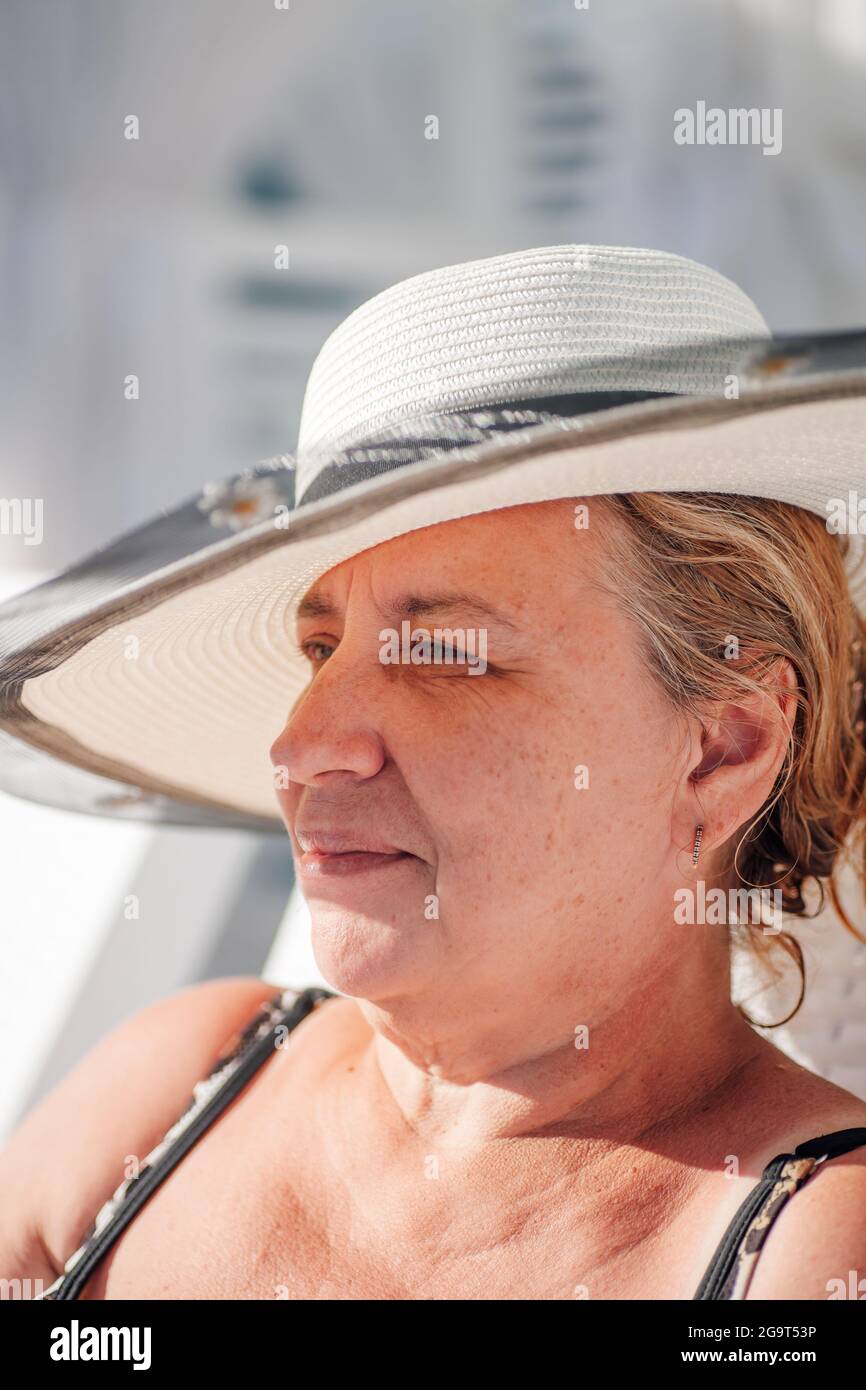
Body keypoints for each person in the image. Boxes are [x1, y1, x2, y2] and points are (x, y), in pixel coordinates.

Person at [1, 245, 865, 1300]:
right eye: (320, 650)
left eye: (444, 653)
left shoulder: (810, 1253)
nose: (301, 744)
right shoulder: (179, 1077)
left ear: (721, 749)